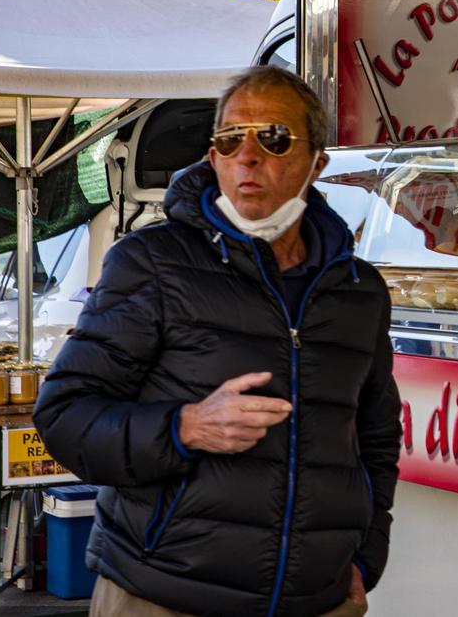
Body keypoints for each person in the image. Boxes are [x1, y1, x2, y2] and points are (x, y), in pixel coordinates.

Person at [35, 66, 400, 617]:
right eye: (230, 140)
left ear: (316, 163)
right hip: (163, 592)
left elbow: (375, 437)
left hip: (317, 598)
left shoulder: (359, 289)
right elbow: (64, 416)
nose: (246, 157)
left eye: (273, 138)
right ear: (213, 157)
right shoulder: (152, 262)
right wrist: (185, 427)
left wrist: (367, 556)